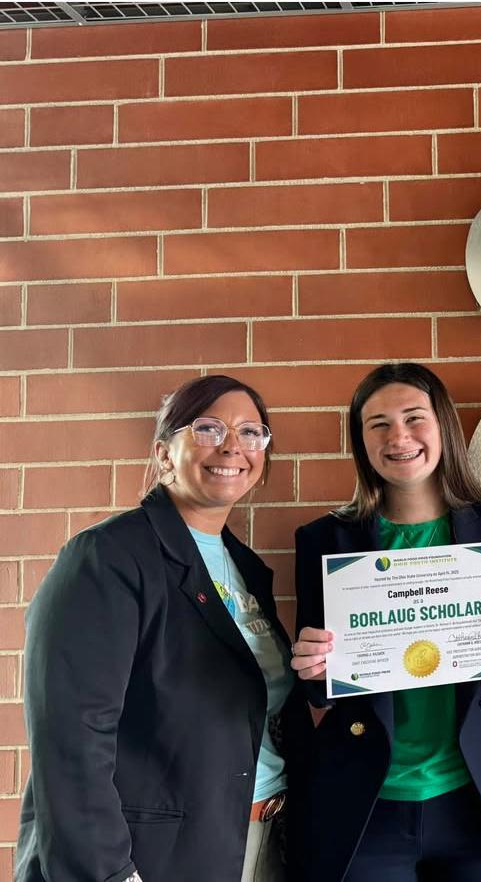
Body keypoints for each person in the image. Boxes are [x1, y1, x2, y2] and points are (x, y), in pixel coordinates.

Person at [15, 375, 310, 882]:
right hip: (156, 856)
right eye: (208, 429)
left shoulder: (247, 569)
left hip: (260, 843)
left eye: (250, 432)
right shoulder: (108, 557)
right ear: (163, 453)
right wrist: (110, 874)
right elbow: (72, 740)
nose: (232, 446)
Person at [288, 362, 481, 882]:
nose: (399, 437)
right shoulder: (324, 541)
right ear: (361, 443)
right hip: (368, 804)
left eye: (415, 418)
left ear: (444, 428)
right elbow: (320, 688)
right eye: (379, 425)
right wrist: (311, 668)